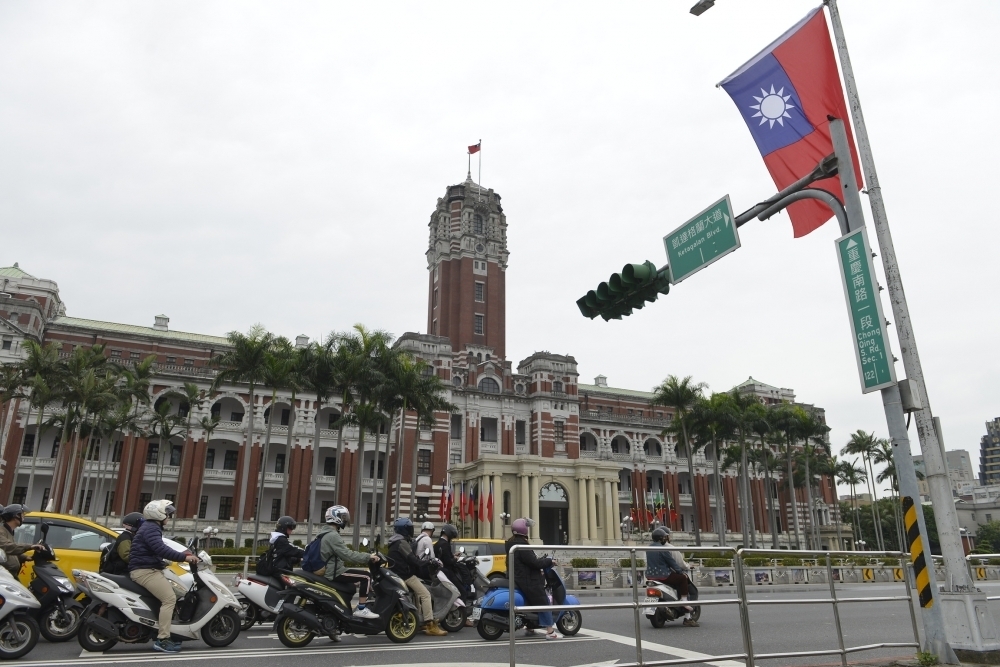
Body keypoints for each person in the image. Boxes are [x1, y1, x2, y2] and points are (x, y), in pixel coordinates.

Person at [129, 500, 199, 653]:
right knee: (169, 599)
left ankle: (166, 629)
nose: (169, 516)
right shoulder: (151, 528)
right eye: (168, 514)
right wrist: (184, 557)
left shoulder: (149, 527)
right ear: (159, 514)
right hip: (145, 571)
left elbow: (155, 549)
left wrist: (177, 555)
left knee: (174, 592)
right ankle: (162, 639)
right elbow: (161, 548)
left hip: (148, 568)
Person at [317, 505, 380, 621]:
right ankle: (361, 609)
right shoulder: (332, 536)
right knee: (366, 577)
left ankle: (341, 614)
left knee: (352, 586)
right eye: (343, 517)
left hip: (333, 569)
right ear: (336, 518)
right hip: (334, 572)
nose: (345, 520)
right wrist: (368, 557)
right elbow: (347, 555)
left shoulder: (325, 533)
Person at [387, 517, 447, 636]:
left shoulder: (393, 542)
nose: (411, 530)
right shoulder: (402, 543)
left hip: (397, 574)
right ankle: (429, 624)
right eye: (409, 528)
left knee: (417, 595)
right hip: (405, 575)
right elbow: (414, 561)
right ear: (405, 530)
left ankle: (420, 621)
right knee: (426, 595)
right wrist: (429, 562)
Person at [505, 517, 561, 640]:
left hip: (517, 576)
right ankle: (550, 632)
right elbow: (534, 563)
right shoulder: (521, 544)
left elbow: (529, 561)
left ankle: (530, 625)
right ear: (524, 530)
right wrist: (549, 561)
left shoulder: (510, 542)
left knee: (531, 599)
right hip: (526, 578)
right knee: (543, 600)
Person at [645, 527, 698, 627]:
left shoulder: (648, 548)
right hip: (663, 576)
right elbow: (672, 563)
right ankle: (683, 600)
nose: (665, 539)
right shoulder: (664, 548)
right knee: (682, 579)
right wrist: (679, 571)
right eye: (664, 537)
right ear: (661, 538)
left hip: (650, 576)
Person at [0, 504, 43, 577]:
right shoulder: (1, 531)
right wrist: (30, 546)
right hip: (4, 575)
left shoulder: (9, 531)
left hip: (10, 574)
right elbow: (8, 547)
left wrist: (24, 557)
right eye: (22, 514)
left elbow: (10, 552)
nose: (23, 516)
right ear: (15, 516)